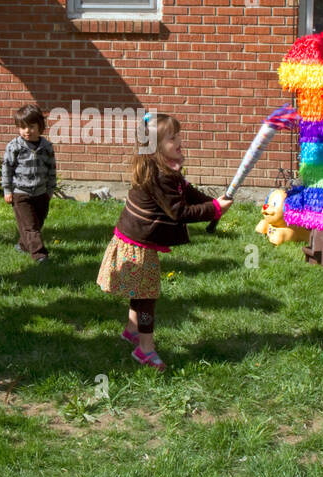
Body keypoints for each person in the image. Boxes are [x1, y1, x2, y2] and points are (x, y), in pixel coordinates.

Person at [96, 113, 232, 371]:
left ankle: (132, 331)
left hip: (137, 240)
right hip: (137, 246)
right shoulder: (159, 176)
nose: (180, 140)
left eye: (179, 134)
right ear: (156, 147)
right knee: (147, 299)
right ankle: (145, 349)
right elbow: (178, 211)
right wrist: (213, 210)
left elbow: (188, 192)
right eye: (173, 137)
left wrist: (213, 204)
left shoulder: (165, 168)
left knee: (142, 292)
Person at [2, 104, 56, 262]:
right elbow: (6, 169)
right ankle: (40, 255)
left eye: (31, 127)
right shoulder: (14, 146)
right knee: (30, 226)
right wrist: (7, 190)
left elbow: (52, 169)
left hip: (41, 193)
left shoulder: (46, 147)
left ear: (40, 126)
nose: (27, 131)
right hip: (21, 193)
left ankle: (23, 245)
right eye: (22, 127)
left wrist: (50, 190)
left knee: (37, 223)